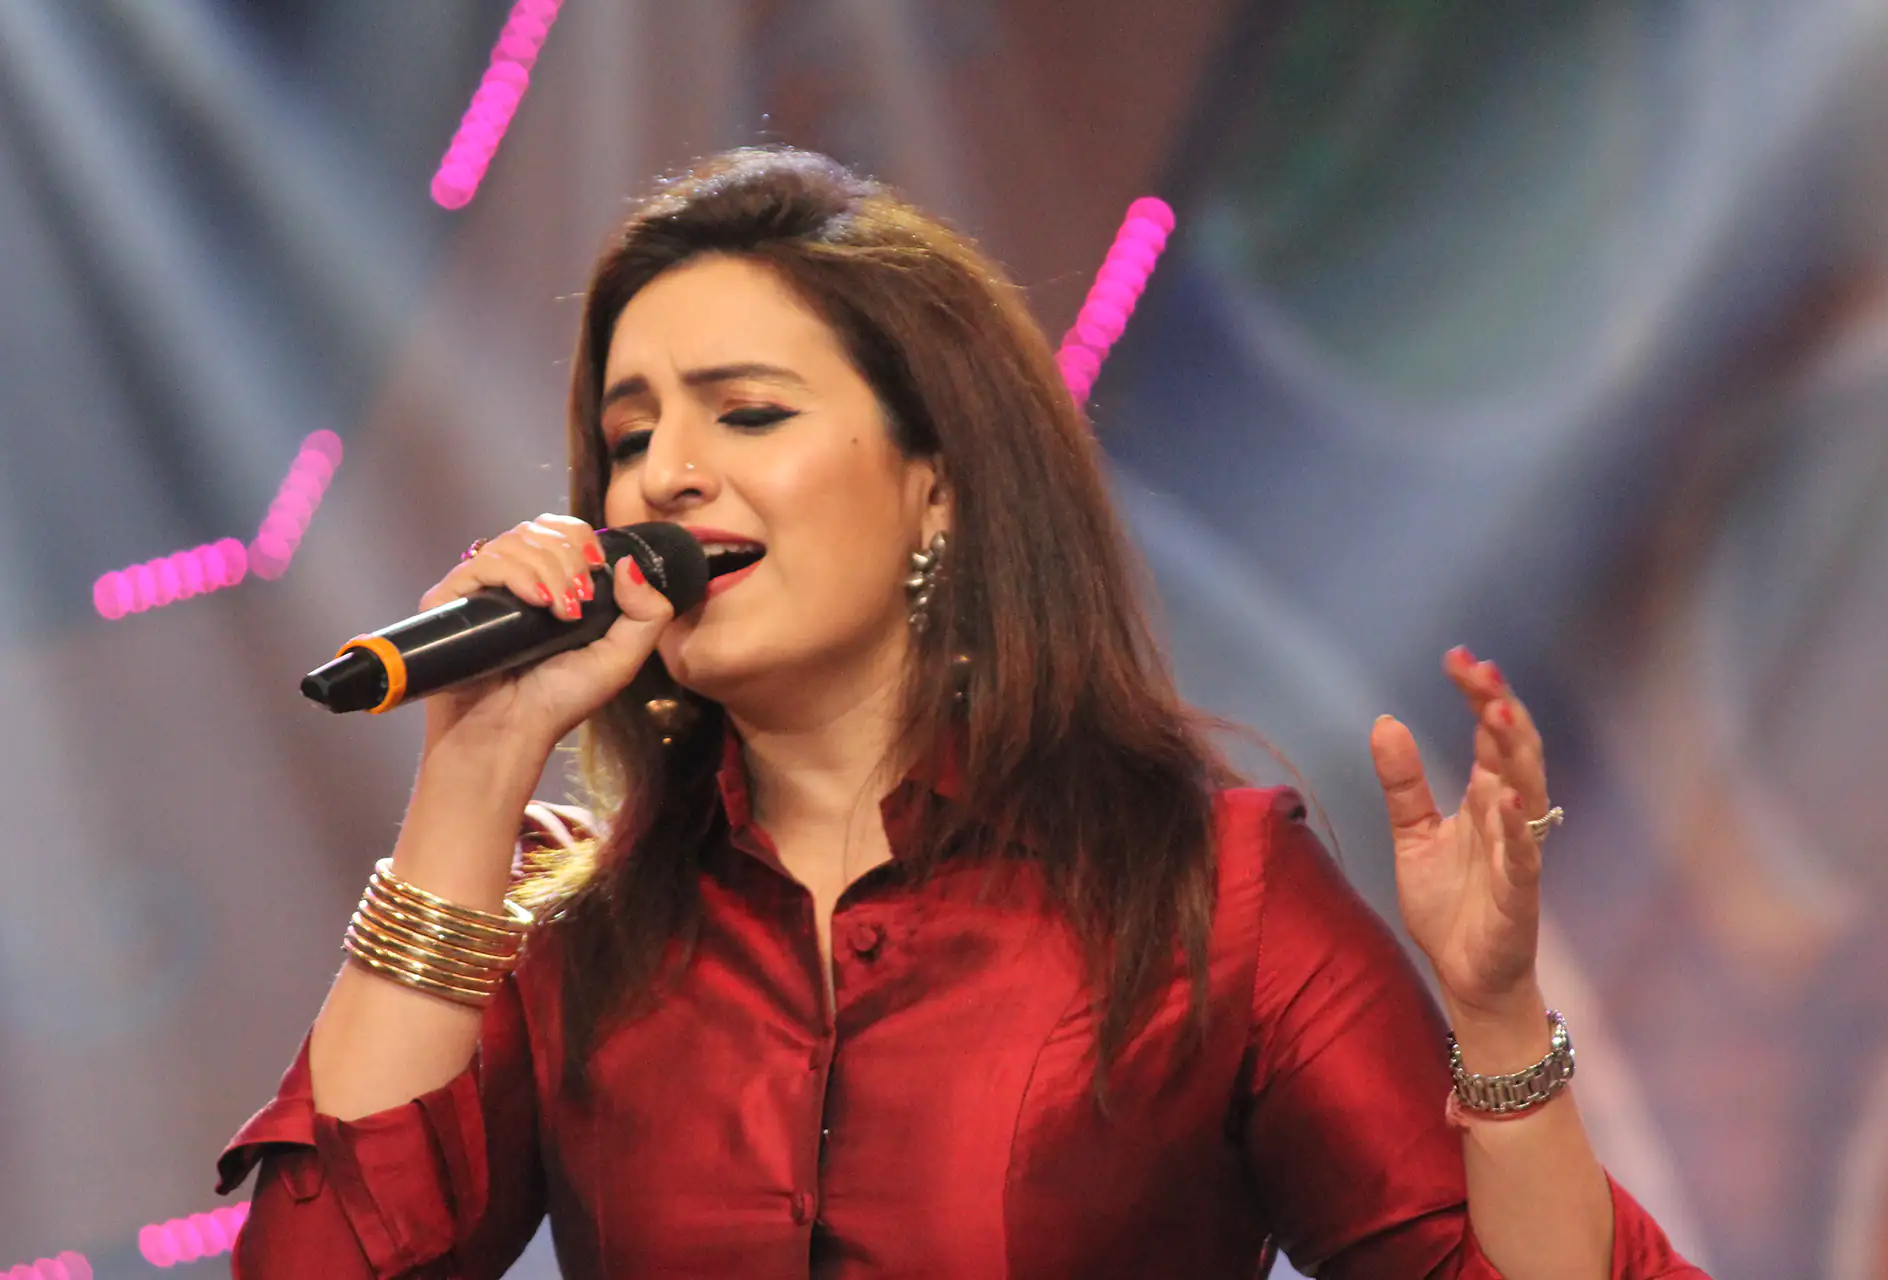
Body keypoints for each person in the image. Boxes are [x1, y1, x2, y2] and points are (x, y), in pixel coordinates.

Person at [217, 147, 1707, 1278]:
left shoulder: (1205, 895)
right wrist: (475, 770)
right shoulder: (569, 924)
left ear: (937, 484)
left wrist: (1495, 1021)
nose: (664, 474)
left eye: (748, 413)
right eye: (628, 433)